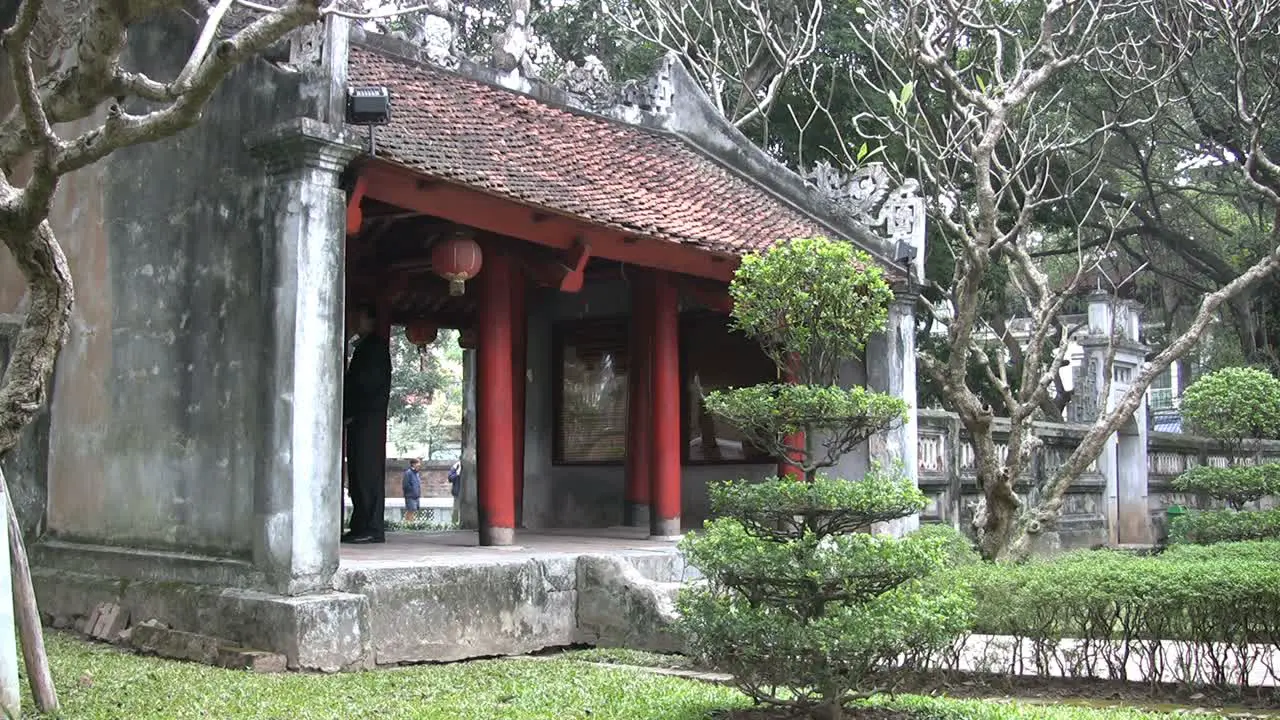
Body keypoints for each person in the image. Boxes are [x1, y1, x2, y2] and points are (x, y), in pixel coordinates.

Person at [342, 304, 392, 544]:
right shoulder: (364, 347)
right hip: (360, 419)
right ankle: (362, 523)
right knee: (357, 472)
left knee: (366, 472)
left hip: (368, 419)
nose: (354, 321)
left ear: (369, 321)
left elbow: (366, 386)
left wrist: (352, 410)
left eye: (358, 316)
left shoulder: (374, 348)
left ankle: (371, 526)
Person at [402, 458, 423, 524]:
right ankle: (408, 524)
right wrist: (412, 492)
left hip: (416, 496)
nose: (419, 465)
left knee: (413, 511)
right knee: (410, 510)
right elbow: (405, 485)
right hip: (410, 496)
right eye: (418, 463)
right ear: (413, 464)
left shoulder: (416, 473)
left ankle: (408, 524)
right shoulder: (408, 473)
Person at [448, 460, 462, 525]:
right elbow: (450, 478)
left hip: (468, 493)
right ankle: (454, 524)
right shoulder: (456, 466)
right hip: (458, 491)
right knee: (456, 509)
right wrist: (457, 474)